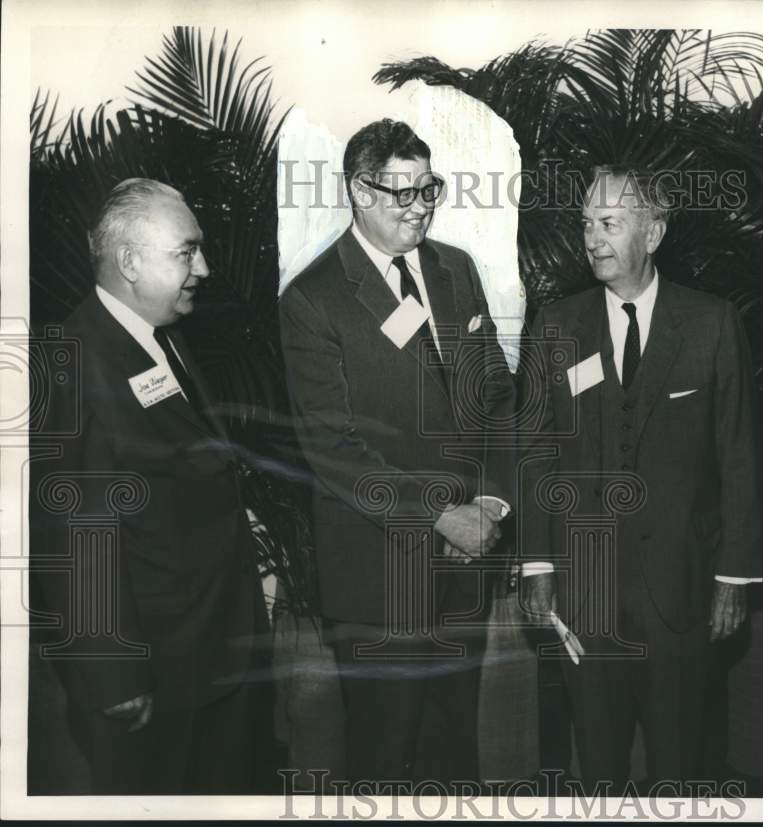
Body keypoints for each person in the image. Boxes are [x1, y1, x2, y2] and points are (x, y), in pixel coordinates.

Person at [279, 119, 515, 786]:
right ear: (360, 190)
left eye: (428, 189)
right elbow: (333, 448)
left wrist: (491, 503)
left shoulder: (455, 270)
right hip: (379, 579)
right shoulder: (313, 299)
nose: (420, 207)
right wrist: (444, 514)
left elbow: (496, 395)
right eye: (401, 193)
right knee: (382, 764)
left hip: (466, 564)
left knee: (453, 758)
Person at [519, 165, 763, 792]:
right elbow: (536, 453)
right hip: (585, 597)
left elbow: (739, 454)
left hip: (681, 593)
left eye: (609, 223)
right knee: (596, 769)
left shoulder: (711, 323)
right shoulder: (555, 325)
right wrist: (539, 566)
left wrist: (734, 576)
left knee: (679, 769)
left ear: (652, 232)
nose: (592, 239)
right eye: (585, 224)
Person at [30, 178, 270, 793]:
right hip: (159, 673)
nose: (205, 269)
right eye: (187, 252)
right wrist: (111, 673)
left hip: (215, 650)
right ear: (130, 262)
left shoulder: (164, 336)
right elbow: (73, 532)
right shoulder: (76, 363)